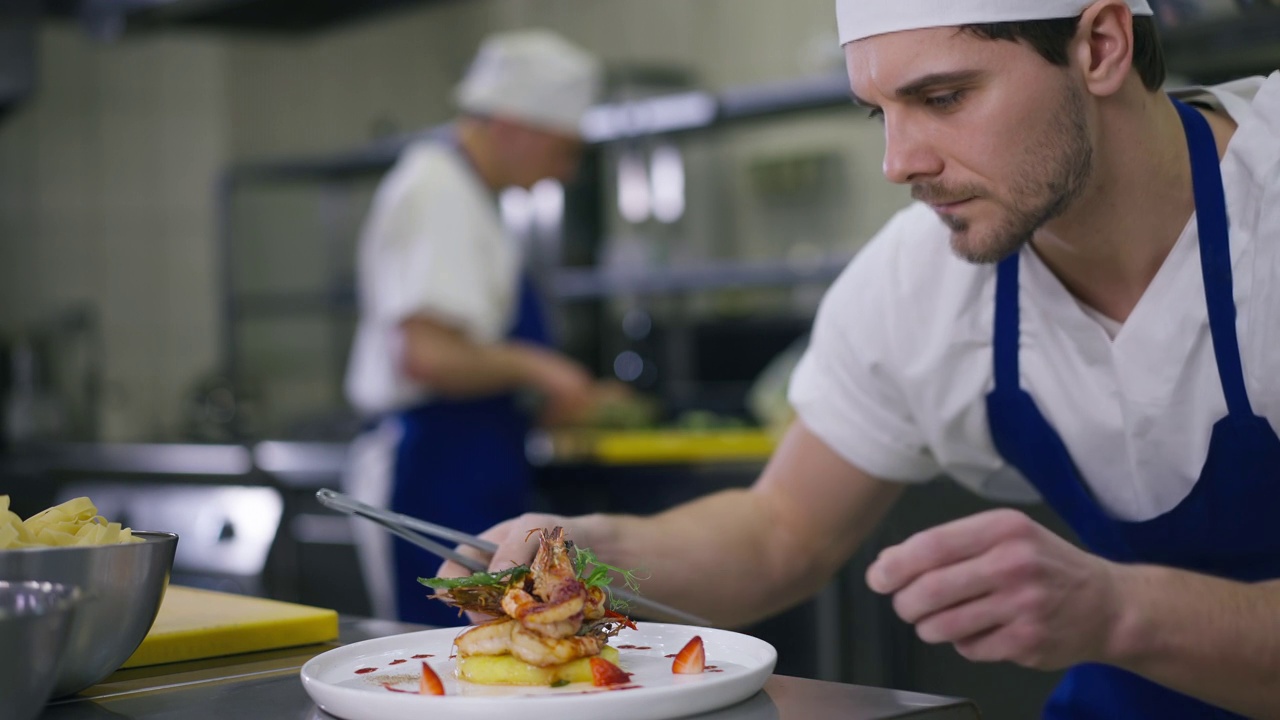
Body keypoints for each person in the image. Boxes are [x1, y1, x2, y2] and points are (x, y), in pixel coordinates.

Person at [437, 1, 1280, 716]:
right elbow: (780, 532)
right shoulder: (920, 278)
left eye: (944, 97)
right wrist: (581, 556)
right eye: (881, 113)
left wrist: (1121, 613)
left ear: (1100, 47)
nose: (896, 162)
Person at [343, 29, 615, 627]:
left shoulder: (468, 194)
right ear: (516, 127)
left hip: (473, 462)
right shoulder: (436, 190)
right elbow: (428, 356)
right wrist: (544, 369)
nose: (565, 171)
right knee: (446, 657)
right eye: (563, 150)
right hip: (434, 469)